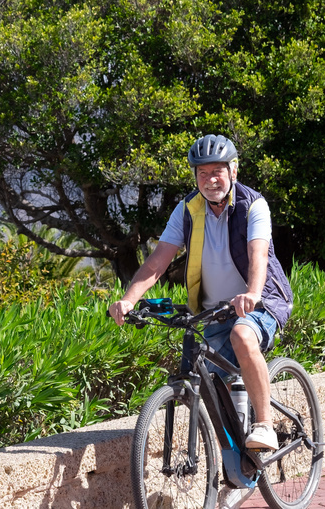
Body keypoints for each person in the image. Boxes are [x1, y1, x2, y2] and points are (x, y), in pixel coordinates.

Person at [108, 134, 293, 450]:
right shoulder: (187, 210)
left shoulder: (253, 205)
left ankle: (264, 426)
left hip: (261, 300)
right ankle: (235, 463)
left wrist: (251, 292)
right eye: (202, 173)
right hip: (214, 310)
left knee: (243, 337)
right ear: (194, 176)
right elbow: (158, 260)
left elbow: (258, 254)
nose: (210, 180)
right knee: (205, 382)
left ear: (233, 170)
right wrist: (129, 299)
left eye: (217, 171)